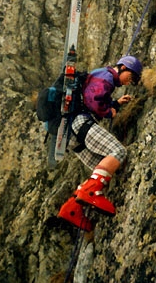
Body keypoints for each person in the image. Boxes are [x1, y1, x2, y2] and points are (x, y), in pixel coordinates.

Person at [58, 55, 143, 231]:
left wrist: (115, 104)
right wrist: (107, 111)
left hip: (70, 135)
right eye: (131, 77)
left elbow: (93, 95)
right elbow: (93, 99)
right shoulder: (107, 76)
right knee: (118, 152)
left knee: (103, 166)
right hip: (80, 123)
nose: (130, 82)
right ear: (123, 67)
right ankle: (89, 193)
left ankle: (72, 209)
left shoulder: (101, 76)